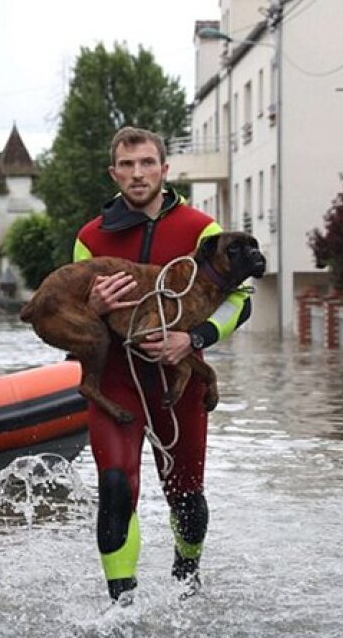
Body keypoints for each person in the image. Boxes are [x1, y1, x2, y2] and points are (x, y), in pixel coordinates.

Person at [74, 127, 253, 602]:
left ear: (164, 169)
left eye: (147, 163)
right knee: (115, 484)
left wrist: (191, 339)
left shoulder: (204, 230)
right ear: (114, 173)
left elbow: (241, 302)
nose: (138, 173)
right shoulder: (89, 238)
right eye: (127, 165)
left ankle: (187, 574)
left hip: (179, 379)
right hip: (117, 382)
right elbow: (70, 315)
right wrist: (90, 305)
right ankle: (122, 606)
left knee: (186, 496)